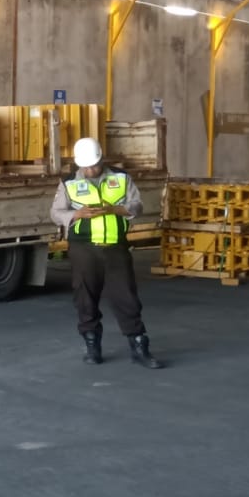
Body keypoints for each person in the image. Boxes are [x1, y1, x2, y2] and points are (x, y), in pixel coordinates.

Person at [49, 137, 163, 369]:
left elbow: (137, 205)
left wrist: (115, 209)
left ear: (101, 159)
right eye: (86, 166)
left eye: (94, 165)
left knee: (126, 296)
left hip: (115, 247)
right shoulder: (68, 183)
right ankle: (92, 345)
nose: (90, 170)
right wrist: (76, 214)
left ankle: (139, 346)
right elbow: (55, 213)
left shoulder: (121, 178)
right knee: (85, 297)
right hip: (84, 248)